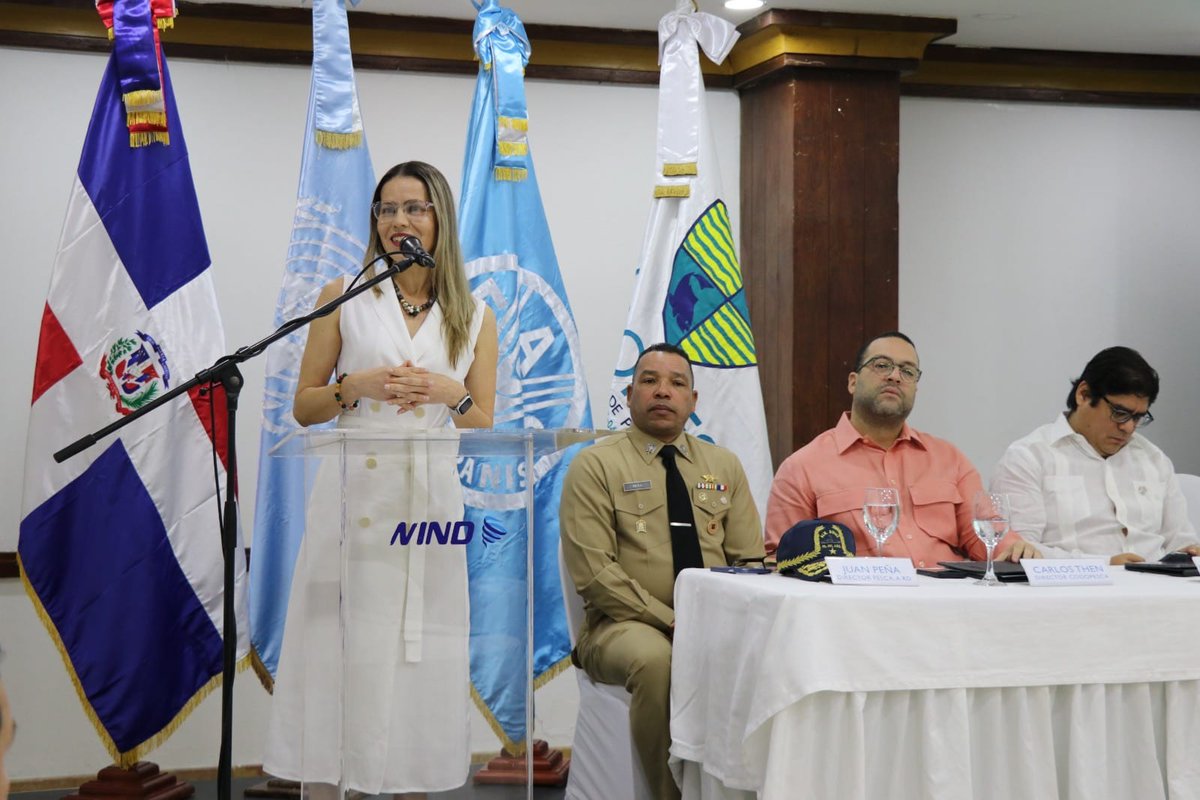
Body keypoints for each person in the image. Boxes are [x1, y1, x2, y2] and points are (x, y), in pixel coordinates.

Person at [263, 161, 497, 799]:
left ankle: (415, 782)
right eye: (387, 210)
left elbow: (483, 418)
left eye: (414, 208)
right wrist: (353, 387)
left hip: (430, 503)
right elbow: (304, 406)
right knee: (353, 649)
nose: (399, 221)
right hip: (353, 498)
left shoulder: (472, 313)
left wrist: (450, 393)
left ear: (439, 219)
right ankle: (346, 781)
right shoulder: (343, 297)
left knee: (421, 652)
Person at [560, 343, 763, 800]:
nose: (663, 392)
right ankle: (668, 795)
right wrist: (672, 620)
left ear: (694, 401)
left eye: (676, 383)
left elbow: (748, 563)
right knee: (657, 660)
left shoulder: (723, 465)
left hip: (712, 620)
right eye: (650, 381)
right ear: (629, 395)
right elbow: (594, 575)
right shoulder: (595, 465)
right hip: (621, 627)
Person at [765, 331, 1040, 567]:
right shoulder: (802, 467)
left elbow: (983, 537)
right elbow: (785, 564)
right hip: (855, 612)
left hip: (947, 604)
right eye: (881, 365)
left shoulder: (950, 460)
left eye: (907, 371)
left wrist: (1015, 549)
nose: (895, 376)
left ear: (915, 389)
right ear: (852, 382)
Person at [991, 346, 1200, 564]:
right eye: (1119, 413)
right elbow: (1020, 552)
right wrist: (1104, 564)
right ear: (1084, 395)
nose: (1128, 427)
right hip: (1075, 592)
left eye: (1137, 417)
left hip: (1161, 590)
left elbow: (1181, 541)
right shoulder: (1028, 457)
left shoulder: (1153, 459)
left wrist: (1191, 553)